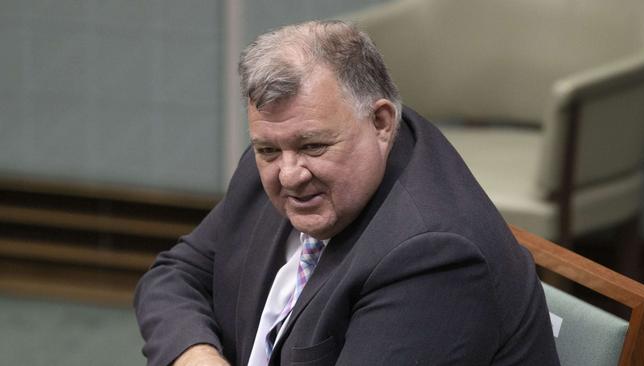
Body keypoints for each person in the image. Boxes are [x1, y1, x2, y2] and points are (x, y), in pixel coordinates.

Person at [134, 20, 560, 366]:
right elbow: (173, 276)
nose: (289, 175)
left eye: (314, 147)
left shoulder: (433, 256)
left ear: (381, 122)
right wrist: (197, 356)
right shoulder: (283, 148)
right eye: (267, 150)